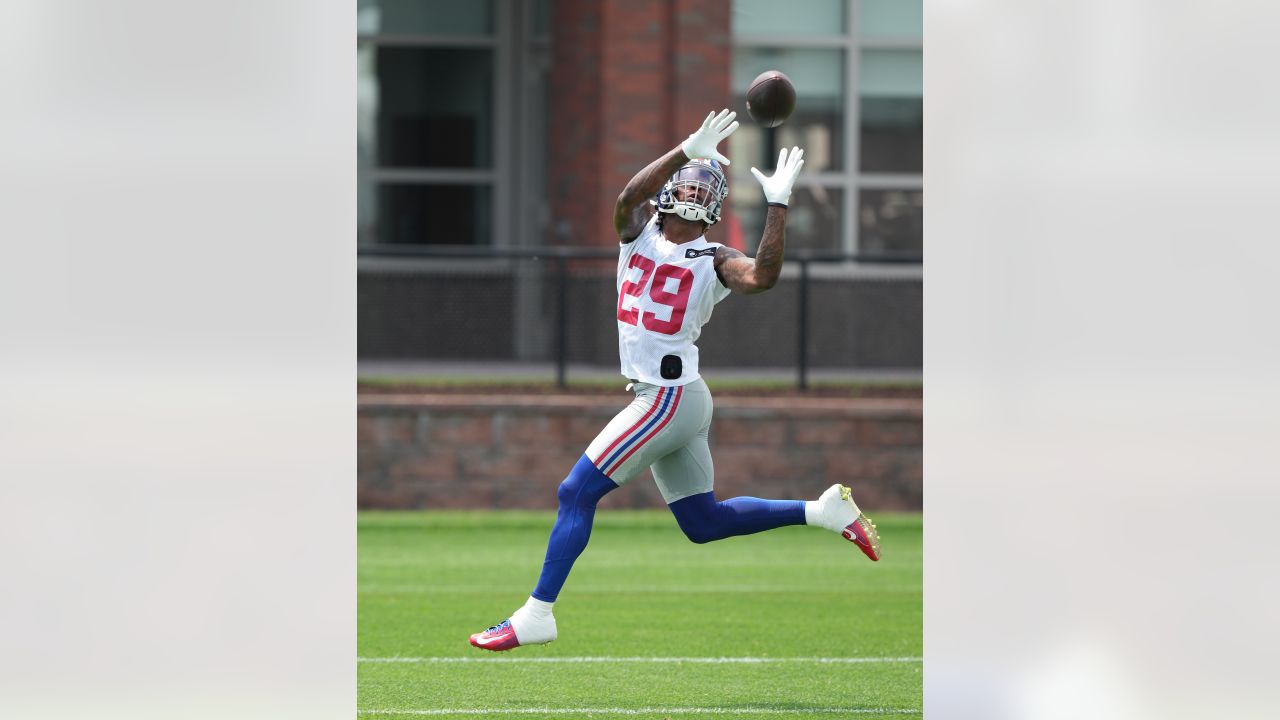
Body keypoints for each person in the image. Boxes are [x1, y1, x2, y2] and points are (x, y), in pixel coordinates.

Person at [469, 109, 880, 652]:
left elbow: (764, 275)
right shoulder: (635, 234)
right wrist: (686, 149)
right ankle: (822, 511)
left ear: (714, 207)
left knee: (575, 492)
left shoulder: (715, 257)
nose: (689, 191)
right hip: (673, 397)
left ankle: (536, 614)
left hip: (667, 398)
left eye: (699, 187)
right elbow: (625, 199)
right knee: (702, 522)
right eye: (684, 182)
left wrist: (776, 205)